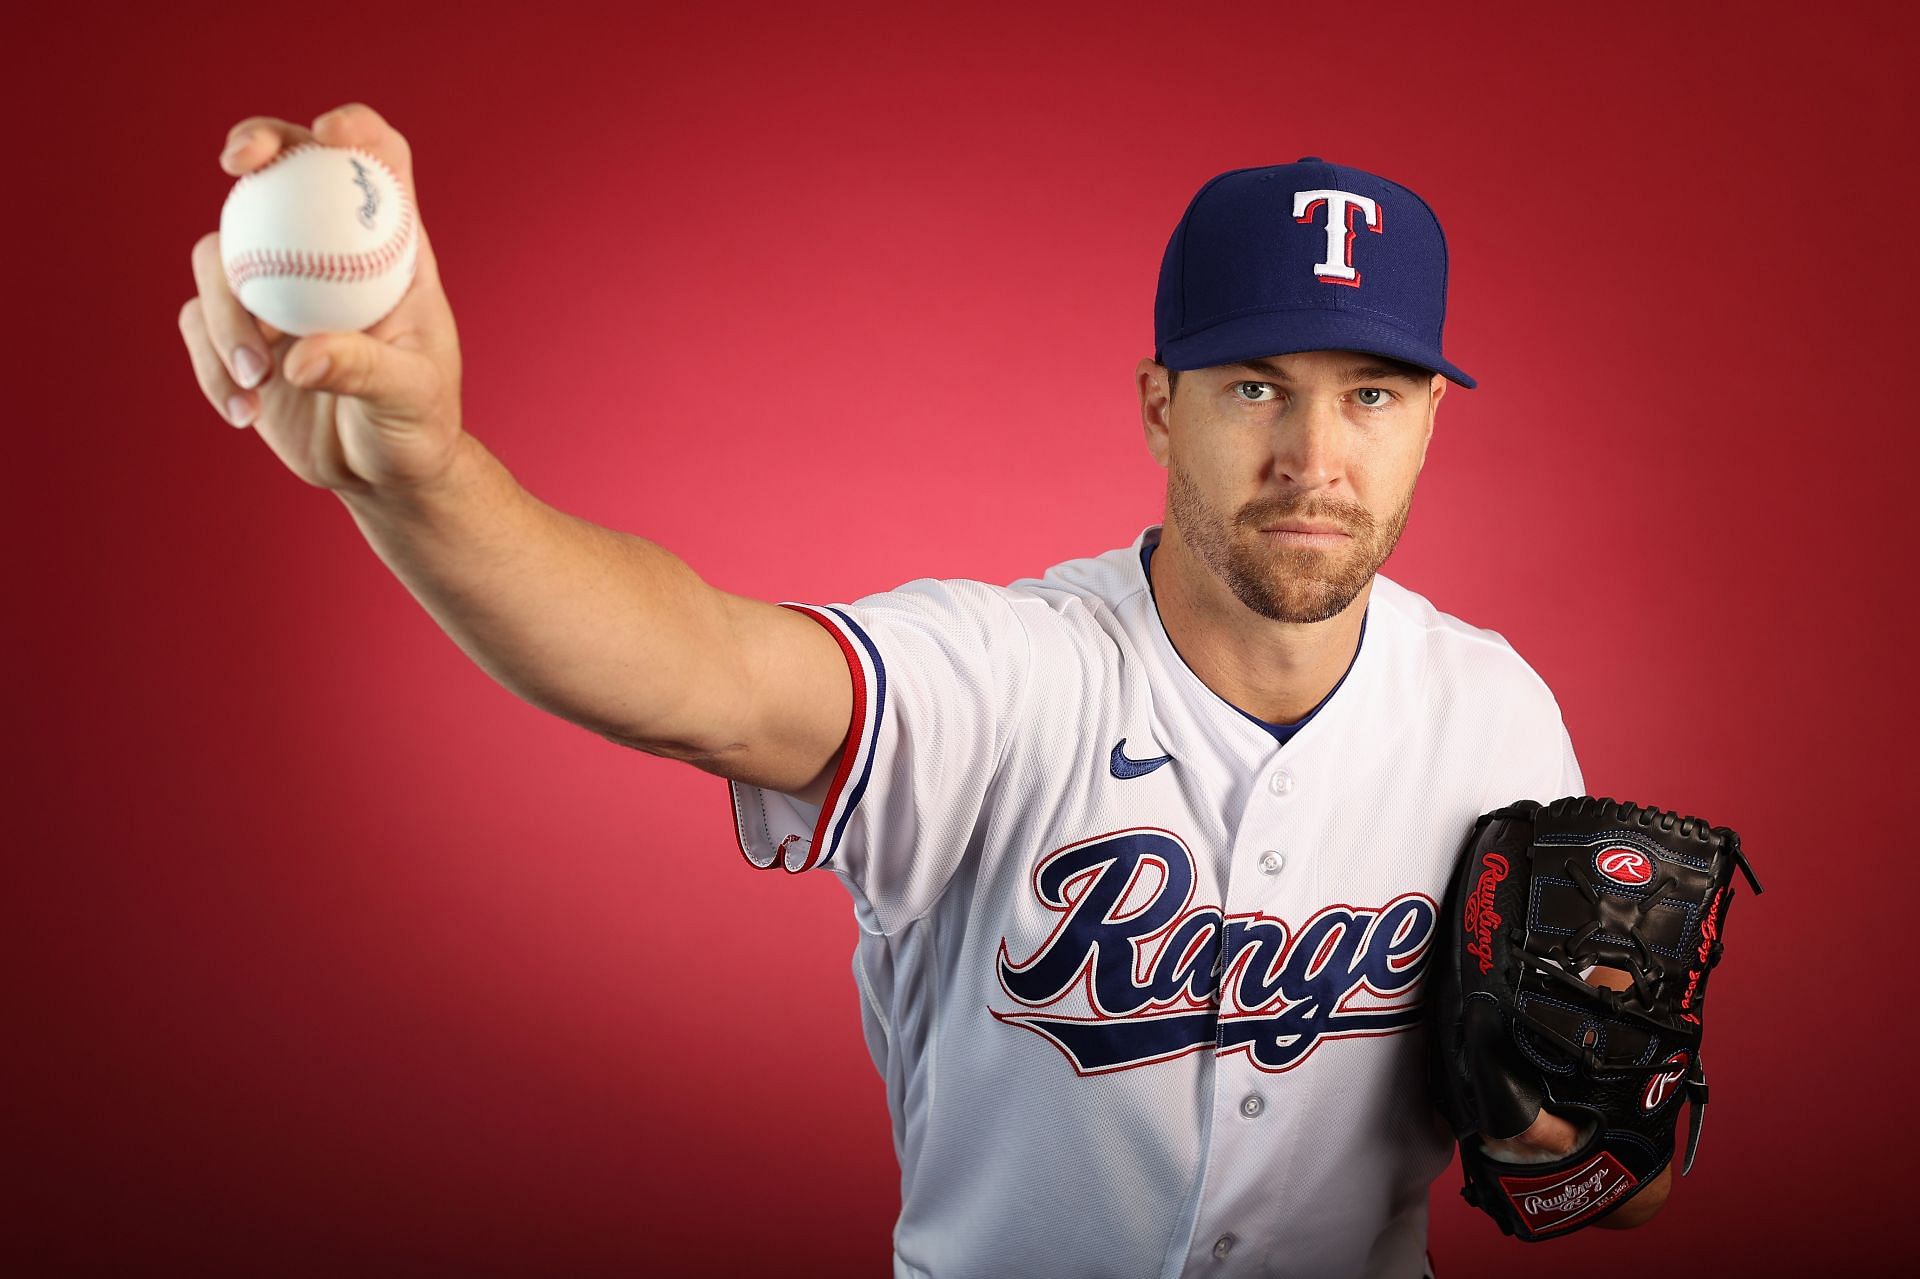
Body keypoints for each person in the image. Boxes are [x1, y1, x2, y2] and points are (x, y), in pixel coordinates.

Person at [180, 105, 1667, 1278]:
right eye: (1256, 386)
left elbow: (1613, 1173)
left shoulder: (1497, 718)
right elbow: (696, 668)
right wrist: (428, 479)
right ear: (1161, 405)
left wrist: (1585, 1144)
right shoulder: (1005, 677)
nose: (1315, 461)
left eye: (1374, 394)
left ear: (1428, 426)